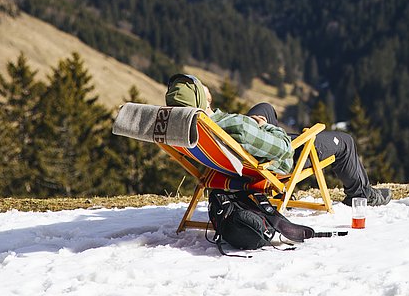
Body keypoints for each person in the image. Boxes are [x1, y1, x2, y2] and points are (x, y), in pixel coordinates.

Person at [167, 74, 390, 206]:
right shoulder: (237, 126)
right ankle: (361, 195)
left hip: (233, 159)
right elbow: (283, 148)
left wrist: (258, 123)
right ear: (201, 99)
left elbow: (241, 131)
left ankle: (283, 191)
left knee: (265, 108)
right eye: (201, 88)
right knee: (345, 142)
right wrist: (262, 127)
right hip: (276, 159)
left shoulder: (187, 125)